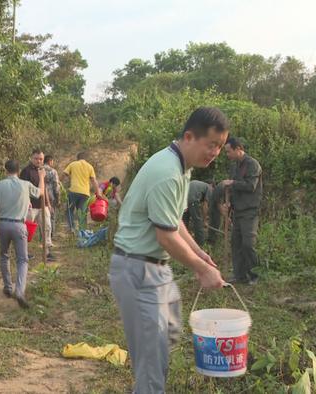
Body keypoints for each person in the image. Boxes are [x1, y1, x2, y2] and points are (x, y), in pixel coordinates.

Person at [109, 107, 227, 393]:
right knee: (152, 363)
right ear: (189, 136)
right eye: (211, 145)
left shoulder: (180, 167)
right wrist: (203, 270)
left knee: (166, 336)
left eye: (220, 147)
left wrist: (198, 253)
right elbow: (165, 236)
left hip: (154, 270)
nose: (215, 153)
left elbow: (173, 221)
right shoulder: (168, 173)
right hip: (138, 269)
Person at [0, 159, 44, 309]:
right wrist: (42, 177)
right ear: (18, 171)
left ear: (5, 170)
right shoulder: (25, 185)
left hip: (3, 224)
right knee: (22, 259)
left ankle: (8, 287)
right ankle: (19, 290)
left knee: (4, 255)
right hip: (19, 225)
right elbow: (40, 193)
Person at [221, 137, 262, 285]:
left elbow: (250, 186)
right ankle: (240, 276)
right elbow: (233, 189)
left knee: (248, 244)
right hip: (237, 211)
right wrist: (228, 205)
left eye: (228, 151)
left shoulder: (252, 164)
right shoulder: (234, 167)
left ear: (238, 149)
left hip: (249, 211)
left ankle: (254, 275)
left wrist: (233, 182)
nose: (227, 155)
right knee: (236, 243)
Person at [20, 149, 54, 261]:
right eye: (36, 158)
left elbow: (45, 189)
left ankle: (47, 252)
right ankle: (24, 252)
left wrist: (48, 203)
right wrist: (26, 202)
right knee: (27, 230)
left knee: (47, 227)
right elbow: (23, 189)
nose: (38, 161)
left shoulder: (42, 171)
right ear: (31, 158)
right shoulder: (26, 171)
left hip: (42, 206)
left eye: (41, 159)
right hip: (30, 206)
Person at [63, 151, 104, 231]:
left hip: (73, 191)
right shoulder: (90, 167)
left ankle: (71, 228)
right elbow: (94, 180)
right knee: (82, 213)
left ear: (77, 158)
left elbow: (64, 174)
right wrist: (98, 193)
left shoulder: (73, 164)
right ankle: (82, 230)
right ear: (86, 159)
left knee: (69, 210)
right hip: (85, 194)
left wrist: (59, 183)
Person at [183, 180, 213, 246]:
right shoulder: (209, 188)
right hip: (192, 199)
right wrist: (204, 220)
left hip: (183, 199)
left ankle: (182, 242)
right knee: (198, 223)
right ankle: (200, 244)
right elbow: (205, 206)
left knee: (184, 222)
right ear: (212, 185)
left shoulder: (200, 184)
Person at [44, 155, 60, 240]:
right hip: (51, 196)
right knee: (52, 216)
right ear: (50, 161)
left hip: (40, 195)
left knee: (42, 216)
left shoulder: (39, 169)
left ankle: (42, 236)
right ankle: (50, 235)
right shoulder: (53, 171)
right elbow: (56, 186)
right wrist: (58, 199)